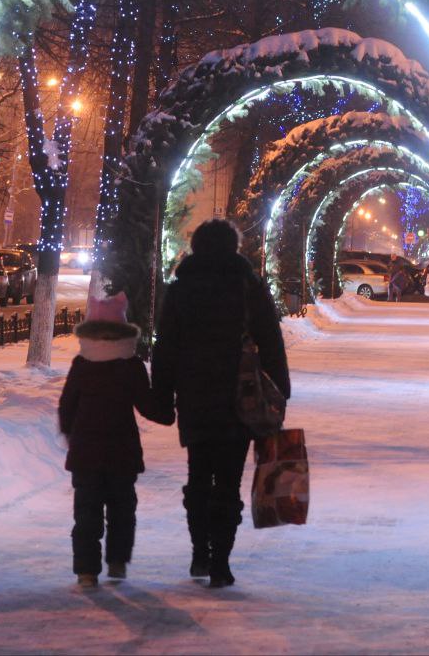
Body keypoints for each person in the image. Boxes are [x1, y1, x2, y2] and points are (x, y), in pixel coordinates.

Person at [151, 219, 290, 588]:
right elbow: (271, 340)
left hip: (194, 396)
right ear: (233, 247)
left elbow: (164, 347)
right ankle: (221, 562)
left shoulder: (180, 289)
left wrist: (162, 397)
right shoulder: (248, 286)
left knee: (198, 476)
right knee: (228, 481)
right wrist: (280, 391)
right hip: (239, 397)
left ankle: (199, 552)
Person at [58, 292, 171, 589]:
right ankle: (117, 562)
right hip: (122, 452)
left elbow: (66, 406)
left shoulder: (81, 365)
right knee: (122, 510)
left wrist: (71, 434)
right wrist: (168, 407)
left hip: (86, 454)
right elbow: (149, 407)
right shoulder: (130, 366)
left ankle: (86, 572)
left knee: (86, 513)